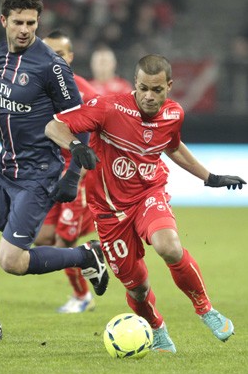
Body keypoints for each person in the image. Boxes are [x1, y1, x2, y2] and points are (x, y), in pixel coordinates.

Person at [46, 54, 246, 353]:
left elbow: (173, 146)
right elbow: (54, 127)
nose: (149, 96)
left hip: (148, 193)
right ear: (135, 84)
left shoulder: (174, 113)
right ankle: (156, 327)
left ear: (169, 86)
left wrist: (209, 176)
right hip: (109, 210)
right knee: (137, 287)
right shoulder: (108, 107)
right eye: (143, 88)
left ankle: (206, 310)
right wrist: (75, 146)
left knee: (169, 246)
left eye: (157, 90)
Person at [0, 0, 109, 343]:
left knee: (12, 261)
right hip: (4, 167)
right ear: (4, 22)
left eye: (31, 22)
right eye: (18, 22)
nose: (25, 29)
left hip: (38, 174)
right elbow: (1, 107)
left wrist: (73, 175)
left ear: (38, 22)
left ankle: (86, 255)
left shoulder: (51, 66)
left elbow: (79, 120)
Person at [34, 29, 98, 313]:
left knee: (63, 242)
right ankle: (101, 243)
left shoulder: (85, 91)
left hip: (78, 175)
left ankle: (82, 297)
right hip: (48, 175)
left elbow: (103, 128)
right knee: (42, 238)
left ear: (70, 57)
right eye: (48, 54)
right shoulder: (36, 89)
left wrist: (82, 170)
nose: (53, 60)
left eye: (59, 55)